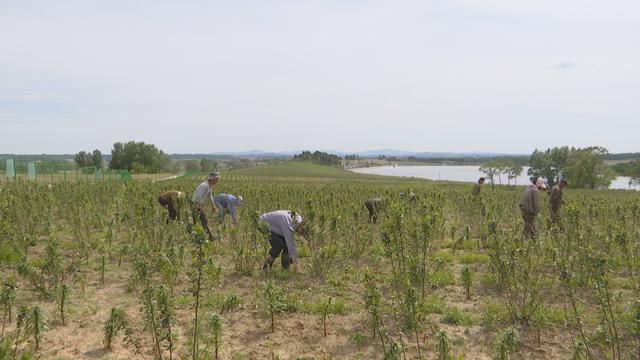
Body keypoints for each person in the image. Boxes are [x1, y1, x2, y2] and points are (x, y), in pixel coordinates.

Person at [191, 171, 221, 241]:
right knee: (204, 220)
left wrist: (213, 205)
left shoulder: (209, 186)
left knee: (195, 220)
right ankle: (210, 237)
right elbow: (198, 197)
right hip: (196, 204)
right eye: (217, 179)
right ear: (213, 179)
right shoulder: (204, 186)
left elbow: (210, 196)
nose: (218, 181)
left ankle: (192, 233)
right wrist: (200, 206)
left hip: (198, 204)